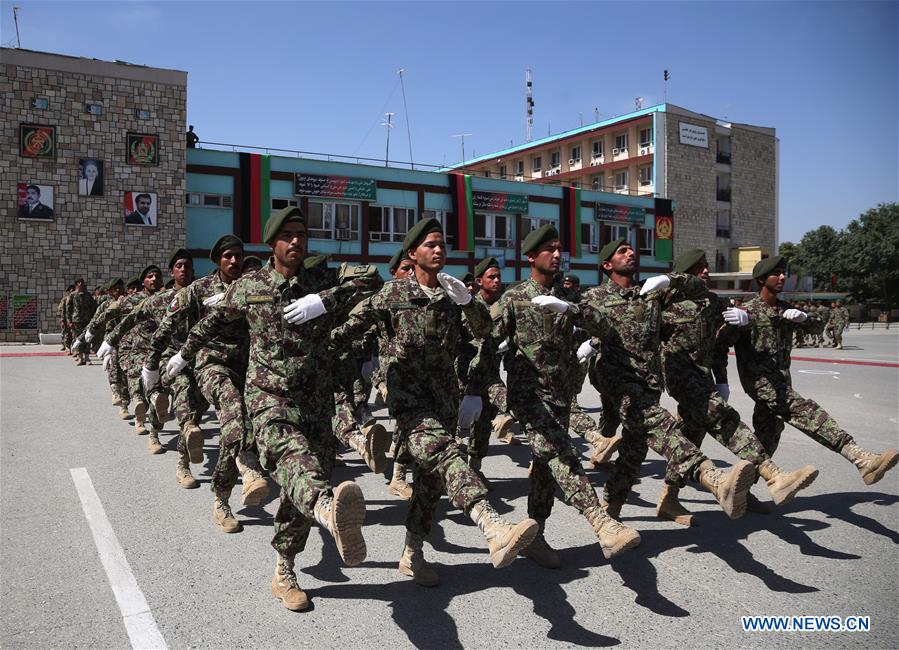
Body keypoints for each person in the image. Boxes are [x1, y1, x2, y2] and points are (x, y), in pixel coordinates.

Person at [166, 207, 380, 611]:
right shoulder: (250, 285)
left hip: (314, 400)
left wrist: (324, 299)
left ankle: (285, 567)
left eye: (302, 233)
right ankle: (329, 512)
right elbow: (209, 324)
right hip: (268, 398)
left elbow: (373, 277)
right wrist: (181, 356)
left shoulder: (322, 278)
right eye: (288, 235)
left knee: (305, 479)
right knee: (293, 459)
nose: (297, 241)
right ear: (271, 243)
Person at [331, 217, 538, 588]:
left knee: (430, 484)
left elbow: (484, 333)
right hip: (408, 403)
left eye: (443, 244)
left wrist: (469, 302)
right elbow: (345, 332)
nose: (439, 250)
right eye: (431, 245)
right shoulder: (391, 295)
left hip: (444, 400)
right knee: (447, 456)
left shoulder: (451, 295)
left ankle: (412, 553)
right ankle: (492, 525)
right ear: (413, 253)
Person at [492, 225, 641, 567]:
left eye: (560, 249)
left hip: (560, 395)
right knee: (561, 454)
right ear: (531, 257)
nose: (558, 255)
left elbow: (605, 327)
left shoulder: (571, 295)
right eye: (549, 249)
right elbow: (484, 339)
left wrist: (569, 310)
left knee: (546, 469)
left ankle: (536, 535)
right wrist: (475, 390)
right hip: (528, 396)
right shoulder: (514, 298)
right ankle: (601, 523)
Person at [582, 239, 756, 522]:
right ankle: (713, 478)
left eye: (631, 248)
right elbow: (584, 319)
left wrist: (668, 279)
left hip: (648, 383)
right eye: (622, 251)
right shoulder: (595, 297)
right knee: (660, 424)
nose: (630, 252)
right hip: (618, 381)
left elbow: (697, 288)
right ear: (606, 264)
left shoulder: (650, 295)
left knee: (634, 450)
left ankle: (610, 510)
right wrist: (591, 342)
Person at [657, 249, 818, 524]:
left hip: (703, 377)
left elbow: (718, 347)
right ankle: (773, 474)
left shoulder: (713, 303)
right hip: (678, 375)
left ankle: (669, 498)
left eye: (706, 266)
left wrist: (721, 380)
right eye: (699, 268)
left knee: (690, 436)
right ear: (685, 274)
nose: (706, 272)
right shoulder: (666, 300)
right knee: (721, 416)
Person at [734, 256, 898, 486]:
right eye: (777, 273)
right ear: (761, 279)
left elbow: (818, 327)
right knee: (804, 411)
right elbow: (722, 340)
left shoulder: (785, 309)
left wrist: (804, 318)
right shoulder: (746, 311)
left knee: (768, 432)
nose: (783, 277)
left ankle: (740, 488)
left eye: (784, 272)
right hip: (761, 382)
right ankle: (859, 458)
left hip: (782, 379)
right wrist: (737, 324)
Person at [146, 236, 268, 521]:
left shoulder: (253, 288)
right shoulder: (197, 290)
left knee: (233, 427)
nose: (234, 261)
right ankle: (243, 467)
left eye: (238, 255)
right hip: (208, 362)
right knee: (231, 407)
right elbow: (167, 324)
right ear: (217, 260)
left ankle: (221, 498)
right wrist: (153, 365)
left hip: (247, 365)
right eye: (228, 256)